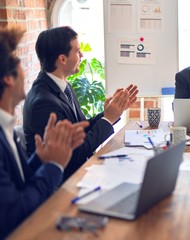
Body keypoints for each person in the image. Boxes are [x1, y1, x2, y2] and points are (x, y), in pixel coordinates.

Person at [0, 26, 88, 238]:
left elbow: (19, 183)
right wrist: (53, 165)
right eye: (19, 63)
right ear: (9, 78)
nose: (25, 72)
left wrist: (41, 158)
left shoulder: (6, 128)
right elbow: (14, 213)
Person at [23, 26, 139, 181]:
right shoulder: (43, 103)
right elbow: (75, 154)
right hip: (62, 183)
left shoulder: (63, 85)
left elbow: (80, 128)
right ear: (62, 59)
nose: (82, 55)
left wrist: (108, 113)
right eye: (77, 51)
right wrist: (108, 120)